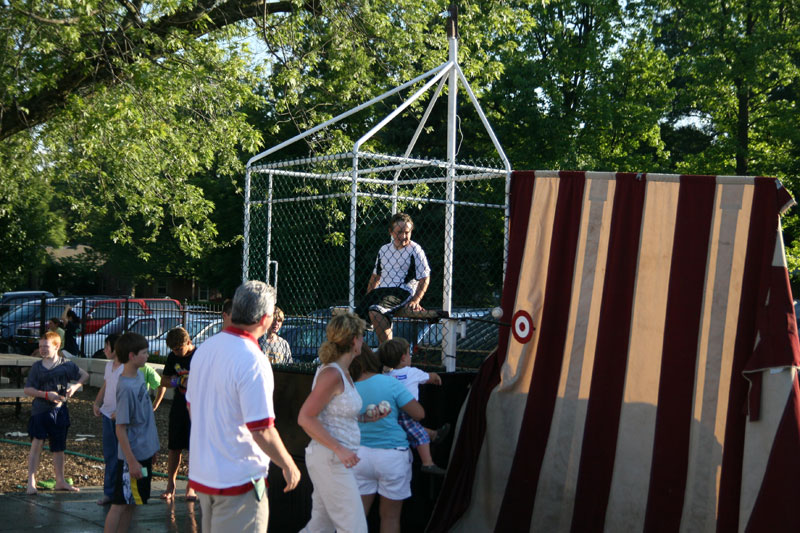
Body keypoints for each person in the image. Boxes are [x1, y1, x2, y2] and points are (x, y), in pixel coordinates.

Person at [186, 281, 300, 532]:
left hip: (205, 476)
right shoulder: (253, 359)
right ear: (266, 318)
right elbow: (262, 429)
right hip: (239, 481)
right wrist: (288, 464)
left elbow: (193, 408)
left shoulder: (205, 349)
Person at [298, 312, 385, 533]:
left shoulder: (342, 372)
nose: (363, 341)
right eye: (362, 336)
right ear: (354, 340)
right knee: (355, 528)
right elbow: (305, 417)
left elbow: (335, 414)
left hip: (333, 460)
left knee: (320, 527)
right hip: (331, 460)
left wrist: (366, 418)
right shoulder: (332, 374)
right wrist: (340, 449)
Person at [351, 344, 425, 533]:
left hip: (358, 456)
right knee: (390, 517)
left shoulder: (347, 389)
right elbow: (419, 414)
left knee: (356, 518)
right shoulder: (390, 383)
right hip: (393, 457)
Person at [103, 332, 160, 533]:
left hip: (143, 453)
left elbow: (144, 417)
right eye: (144, 353)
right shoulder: (126, 388)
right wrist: (132, 461)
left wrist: (151, 448)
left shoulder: (139, 377)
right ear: (131, 356)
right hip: (132, 458)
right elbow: (120, 428)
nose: (147, 356)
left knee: (132, 502)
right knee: (119, 504)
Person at [23, 331, 89, 495]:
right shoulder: (37, 367)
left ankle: (60, 480)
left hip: (59, 411)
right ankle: (31, 482)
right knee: (36, 444)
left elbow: (84, 375)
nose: (42, 349)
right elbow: (28, 389)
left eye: (46, 346)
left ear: (57, 346)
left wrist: (75, 387)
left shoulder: (66, 365)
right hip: (40, 411)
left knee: (59, 447)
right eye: (40, 346)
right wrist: (46, 395)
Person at [355, 213, 431, 343]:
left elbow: (425, 277)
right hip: (381, 291)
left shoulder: (415, 250)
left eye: (407, 232)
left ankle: (388, 351)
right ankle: (360, 352)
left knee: (376, 311)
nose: (403, 236)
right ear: (391, 231)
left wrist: (415, 300)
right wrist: (368, 298)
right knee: (353, 322)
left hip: (401, 291)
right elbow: (375, 277)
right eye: (399, 232)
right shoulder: (384, 249)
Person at [379, 338, 449, 475]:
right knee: (419, 435)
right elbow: (429, 377)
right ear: (403, 358)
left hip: (391, 411)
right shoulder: (412, 372)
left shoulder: (385, 376)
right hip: (409, 410)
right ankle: (427, 463)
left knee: (410, 428)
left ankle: (434, 434)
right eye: (409, 354)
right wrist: (435, 377)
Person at [160, 327, 196, 502]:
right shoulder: (172, 357)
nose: (176, 353)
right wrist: (180, 380)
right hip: (179, 406)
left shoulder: (200, 355)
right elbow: (164, 380)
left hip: (197, 408)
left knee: (194, 448)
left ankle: (191, 486)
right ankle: (170, 485)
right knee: (174, 446)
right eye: (173, 350)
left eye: (178, 349)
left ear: (188, 342)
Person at [93, 334, 125, 506]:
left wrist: (121, 412)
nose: (105, 350)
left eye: (107, 346)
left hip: (120, 418)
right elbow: (106, 385)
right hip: (107, 415)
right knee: (110, 454)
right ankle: (109, 492)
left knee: (122, 455)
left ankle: (122, 492)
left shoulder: (126, 368)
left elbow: (129, 394)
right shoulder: (109, 366)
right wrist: (97, 402)